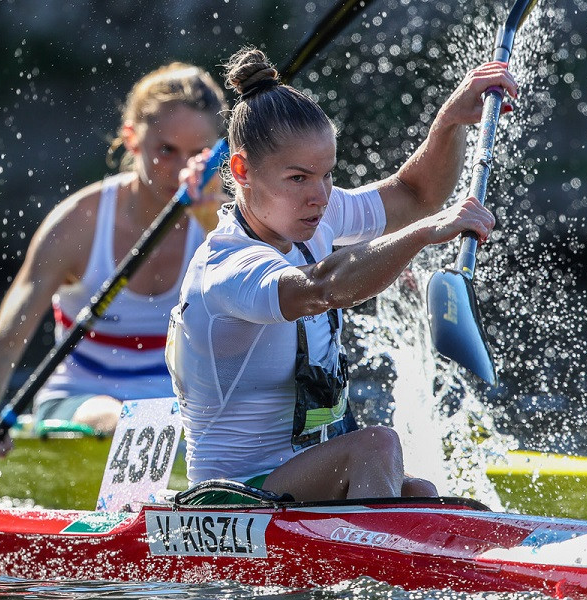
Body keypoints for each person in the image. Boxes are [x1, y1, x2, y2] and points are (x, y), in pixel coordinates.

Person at [168, 47, 514, 502]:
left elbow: (415, 193)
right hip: (231, 501)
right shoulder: (227, 267)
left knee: (422, 493)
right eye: (299, 178)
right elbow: (322, 288)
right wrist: (424, 234)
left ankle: (412, 567)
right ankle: (373, 576)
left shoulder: (313, 217)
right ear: (241, 170)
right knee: (376, 445)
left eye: (327, 175)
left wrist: (450, 122)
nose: (320, 196)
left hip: (292, 490)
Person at [0, 63, 228, 472]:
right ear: (132, 140)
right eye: (166, 151)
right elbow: (4, 342)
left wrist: (217, 232)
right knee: (126, 422)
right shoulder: (77, 226)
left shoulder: (228, 224)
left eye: (199, 155)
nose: (180, 171)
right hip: (84, 402)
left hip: (185, 406)